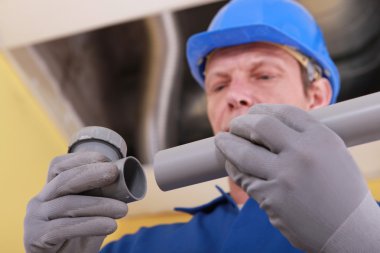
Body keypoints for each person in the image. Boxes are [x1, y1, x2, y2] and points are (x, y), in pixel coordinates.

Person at [24, 0, 380, 252]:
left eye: (264, 74)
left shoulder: (367, 226)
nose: (235, 95)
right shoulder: (143, 248)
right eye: (219, 84)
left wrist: (360, 241)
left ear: (316, 96)